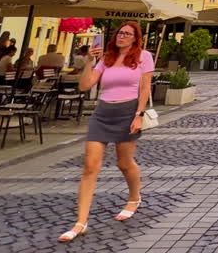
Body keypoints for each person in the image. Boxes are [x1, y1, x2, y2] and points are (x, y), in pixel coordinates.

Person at [58, 21, 154, 243]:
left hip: (127, 112)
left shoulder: (143, 57)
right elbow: (85, 86)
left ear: (135, 38)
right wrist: (89, 61)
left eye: (127, 34)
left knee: (124, 163)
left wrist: (139, 115)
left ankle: (134, 198)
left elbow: (144, 87)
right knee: (90, 167)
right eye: (120, 33)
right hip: (102, 114)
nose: (122, 36)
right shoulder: (106, 58)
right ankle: (81, 222)